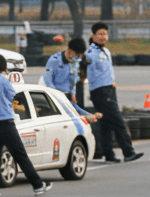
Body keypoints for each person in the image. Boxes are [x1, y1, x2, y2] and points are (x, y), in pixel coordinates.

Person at [0, 54, 51, 197]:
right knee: (20, 155)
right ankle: (38, 185)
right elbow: (12, 95)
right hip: (6, 123)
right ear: (2, 67)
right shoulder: (4, 81)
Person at [84, 23, 143, 163]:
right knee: (118, 121)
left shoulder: (106, 51)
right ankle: (128, 152)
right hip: (100, 91)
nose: (103, 37)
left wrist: (112, 83)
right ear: (93, 36)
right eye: (100, 34)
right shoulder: (90, 54)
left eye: (105, 34)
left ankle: (108, 153)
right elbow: (84, 70)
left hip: (110, 89)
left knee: (106, 124)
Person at [42, 38, 86, 103]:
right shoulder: (54, 60)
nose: (78, 58)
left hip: (67, 96)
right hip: (54, 95)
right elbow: (47, 80)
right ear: (70, 51)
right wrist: (56, 95)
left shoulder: (75, 62)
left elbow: (73, 80)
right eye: (77, 56)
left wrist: (73, 93)